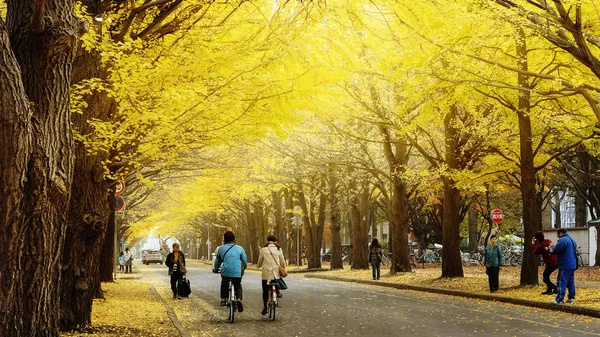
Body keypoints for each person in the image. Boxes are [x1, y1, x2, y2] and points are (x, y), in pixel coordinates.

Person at [213, 231, 247, 312]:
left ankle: (224, 298)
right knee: (238, 285)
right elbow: (244, 261)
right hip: (237, 272)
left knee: (224, 283)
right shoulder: (240, 248)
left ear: (224, 239)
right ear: (234, 239)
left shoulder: (221, 249)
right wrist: (244, 268)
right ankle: (238, 298)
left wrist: (216, 269)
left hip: (226, 272)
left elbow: (217, 262)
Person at [256, 234, 286, 316]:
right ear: (275, 241)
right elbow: (282, 261)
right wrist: (283, 268)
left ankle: (265, 306)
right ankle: (277, 291)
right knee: (277, 280)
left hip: (266, 273)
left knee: (265, 290)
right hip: (276, 272)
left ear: (267, 241)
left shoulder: (263, 249)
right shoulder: (279, 249)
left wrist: (258, 266)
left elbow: (260, 260)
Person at [551, 228, 577, 304]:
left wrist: (552, 250)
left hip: (565, 264)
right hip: (572, 264)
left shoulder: (563, 240)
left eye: (558, 235)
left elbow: (557, 249)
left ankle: (559, 299)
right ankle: (571, 297)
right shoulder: (572, 239)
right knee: (570, 281)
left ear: (561, 233)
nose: (558, 237)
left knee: (561, 281)